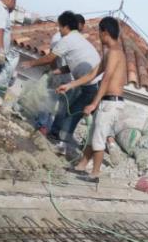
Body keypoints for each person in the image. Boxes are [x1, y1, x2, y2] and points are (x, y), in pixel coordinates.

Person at [57, 16, 126, 181]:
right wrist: (70, 85)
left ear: (105, 32)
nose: (99, 37)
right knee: (92, 136)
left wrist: (93, 103)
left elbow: (107, 79)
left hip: (111, 102)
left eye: (100, 33)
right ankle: (81, 166)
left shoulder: (115, 53)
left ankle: (95, 174)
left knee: (98, 139)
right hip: (106, 101)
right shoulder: (110, 53)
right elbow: (92, 74)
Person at [21, 11, 101, 150]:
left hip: (92, 85)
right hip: (89, 82)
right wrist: (55, 72)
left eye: (60, 27)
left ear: (66, 27)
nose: (59, 30)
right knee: (73, 112)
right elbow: (72, 66)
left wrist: (31, 64)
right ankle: (61, 139)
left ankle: (64, 145)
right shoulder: (78, 39)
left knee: (73, 113)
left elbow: (49, 58)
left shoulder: (68, 39)